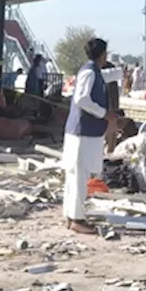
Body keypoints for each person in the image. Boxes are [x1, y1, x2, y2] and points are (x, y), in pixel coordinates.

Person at [61, 38, 114, 235]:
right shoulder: (89, 72)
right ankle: (77, 218)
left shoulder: (92, 71)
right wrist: (103, 113)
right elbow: (82, 99)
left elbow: (105, 76)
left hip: (82, 132)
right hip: (82, 132)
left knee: (75, 175)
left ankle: (70, 215)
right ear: (103, 54)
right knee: (78, 176)